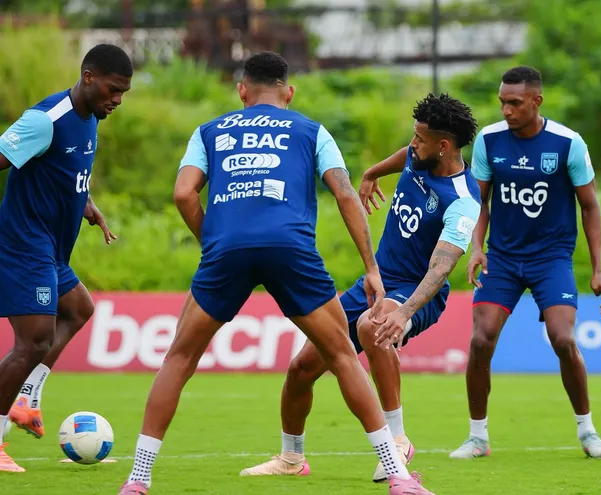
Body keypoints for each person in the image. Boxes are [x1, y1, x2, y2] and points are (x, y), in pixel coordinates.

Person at [116, 51, 433, 495]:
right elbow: (345, 193)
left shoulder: (208, 131)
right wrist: (370, 267)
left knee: (179, 359)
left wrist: (214, 243)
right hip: (290, 249)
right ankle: (397, 474)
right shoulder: (311, 130)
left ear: (241, 91)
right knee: (342, 355)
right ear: (290, 92)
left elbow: (184, 194)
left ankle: (138, 478)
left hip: (226, 249)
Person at [240, 93, 479, 487]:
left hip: (417, 292)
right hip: (377, 283)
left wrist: (404, 312)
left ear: (444, 146)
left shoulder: (463, 202)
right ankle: (290, 458)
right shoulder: (419, 155)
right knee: (301, 369)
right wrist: (371, 173)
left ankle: (397, 439)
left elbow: (441, 267)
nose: (412, 144)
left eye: (420, 139)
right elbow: (404, 155)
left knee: (374, 325)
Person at [448, 66, 601, 460]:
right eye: (502, 102)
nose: (506, 110)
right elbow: (479, 201)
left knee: (563, 339)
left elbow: (590, 207)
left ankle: (588, 431)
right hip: (503, 259)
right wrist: (477, 247)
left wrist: (597, 269)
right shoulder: (489, 141)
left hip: (551, 259)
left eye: (515, 103)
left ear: (537, 101)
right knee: (481, 339)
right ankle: (477, 437)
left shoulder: (568, 144)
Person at [0, 44, 132, 473]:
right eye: (113, 89)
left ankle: (26, 399)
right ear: (89, 77)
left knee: (78, 309)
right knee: (34, 341)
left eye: (124, 93)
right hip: (23, 245)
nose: (118, 100)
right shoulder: (46, 119)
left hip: (51, 249)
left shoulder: (90, 117)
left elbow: (63, 170)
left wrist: (86, 204)